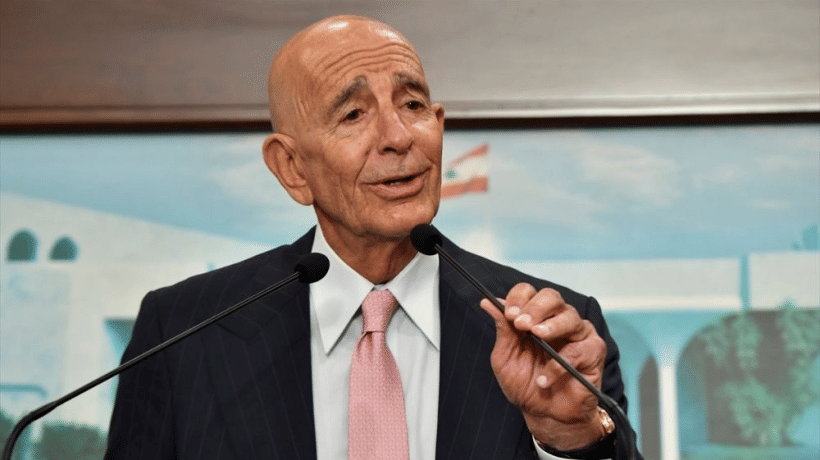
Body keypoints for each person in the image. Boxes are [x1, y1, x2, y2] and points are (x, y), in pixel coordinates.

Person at [105, 15, 638, 460]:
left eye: (412, 105)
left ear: (439, 124)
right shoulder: (181, 333)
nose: (398, 137)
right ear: (291, 167)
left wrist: (569, 438)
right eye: (354, 114)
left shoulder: (554, 338)